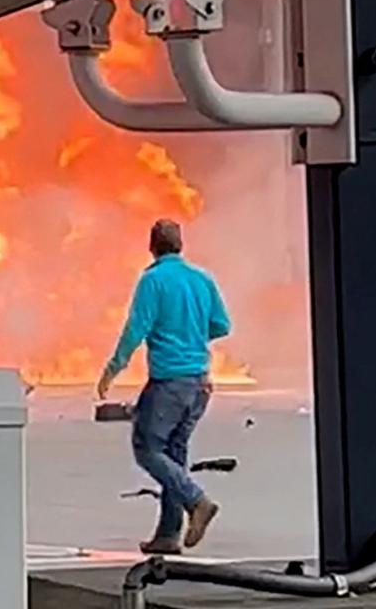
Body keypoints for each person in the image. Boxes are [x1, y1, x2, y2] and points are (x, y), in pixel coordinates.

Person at [97, 219, 231, 554]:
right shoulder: (202, 279)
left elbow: (136, 329)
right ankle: (168, 536)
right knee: (174, 454)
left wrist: (112, 370)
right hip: (200, 384)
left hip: (170, 382)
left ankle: (197, 501)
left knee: (148, 449)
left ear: (152, 246)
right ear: (180, 245)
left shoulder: (153, 280)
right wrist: (191, 336)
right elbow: (221, 325)